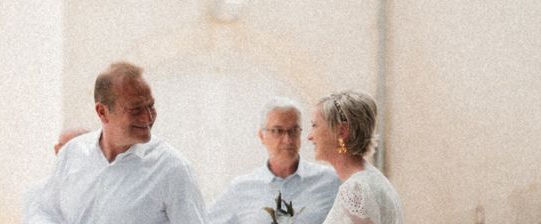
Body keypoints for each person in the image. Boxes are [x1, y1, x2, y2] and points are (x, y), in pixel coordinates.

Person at [27, 61, 209, 224]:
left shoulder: (173, 169)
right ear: (102, 112)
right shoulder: (71, 153)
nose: (148, 117)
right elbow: (45, 211)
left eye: (151, 105)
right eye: (135, 109)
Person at [209, 97, 340, 224]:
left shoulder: (330, 182)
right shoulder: (240, 189)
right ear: (262, 136)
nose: (287, 139)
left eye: (294, 131)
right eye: (278, 131)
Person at [307, 91, 403, 224]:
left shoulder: (356, 188)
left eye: (314, 125)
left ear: (342, 131)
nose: (309, 136)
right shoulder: (372, 180)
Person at [22, 127, 89, 222]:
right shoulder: (37, 192)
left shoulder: (102, 186)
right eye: (68, 148)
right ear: (57, 149)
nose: (74, 153)